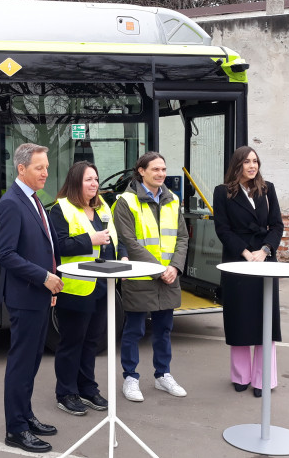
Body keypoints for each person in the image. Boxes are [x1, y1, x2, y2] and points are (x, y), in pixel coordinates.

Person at [0, 143, 64, 453]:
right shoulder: (11, 203)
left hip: (39, 295)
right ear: (21, 169)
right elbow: (4, 254)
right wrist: (43, 277)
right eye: (39, 167)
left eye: (46, 167)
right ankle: (16, 429)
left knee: (33, 362)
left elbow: (43, 246)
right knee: (21, 364)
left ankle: (26, 415)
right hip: (25, 296)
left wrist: (49, 283)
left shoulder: (35, 201)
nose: (45, 172)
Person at [113, 151, 189, 402]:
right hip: (142, 277)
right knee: (133, 330)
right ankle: (130, 378)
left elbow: (183, 238)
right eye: (155, 169)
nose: (161, 174)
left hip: (168, 276)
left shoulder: (173, 200)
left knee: (164, 330)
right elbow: (128, 241)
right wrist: (160, 269)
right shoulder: (126, 201)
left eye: (164, 169)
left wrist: (175, 267)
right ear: (141, 171)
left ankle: (163, 375)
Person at [48, 161, 121, 416]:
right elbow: (58, 246)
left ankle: (87, 388)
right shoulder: (61, 209)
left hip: (102, 286)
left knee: (92, 342)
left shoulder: (102, 208)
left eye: (96, 180)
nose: (95, 184)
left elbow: (113, 238)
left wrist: (120, 256)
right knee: (71, 342)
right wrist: (89, 240)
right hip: (75, 288)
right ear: (76, 182)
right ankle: (66, 393)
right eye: (89, 180)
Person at [213, 146, 284, 398]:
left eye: (255, 161)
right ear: (237, 165)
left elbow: (277, 225)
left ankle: (264, 379)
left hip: (265, 259)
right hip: (237, 260)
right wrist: (246, 254)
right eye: (247, 162)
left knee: (266, 318)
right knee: (240, 317)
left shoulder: (268, 189)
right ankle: (241, 376)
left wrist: (264, 251)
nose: (252, 166)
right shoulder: (223, 192)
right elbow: (222, 229)